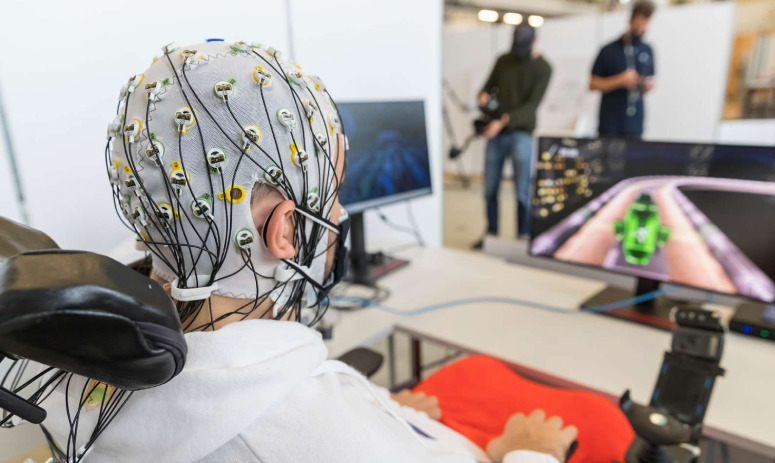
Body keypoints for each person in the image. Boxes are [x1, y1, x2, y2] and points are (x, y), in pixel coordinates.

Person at [39, 40, 577, 463]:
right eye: (334, 195)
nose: (339, 215)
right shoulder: (327, 439)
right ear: (287, 232)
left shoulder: (79, 376)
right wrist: (532, 451)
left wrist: (386, 418)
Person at [474, 24, 552, 250]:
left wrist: (503, 121)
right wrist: (483, 98)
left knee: (522, 191)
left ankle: (523, 237)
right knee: (489, 188)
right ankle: (491, 235)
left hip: (521, 134)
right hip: (496, 134)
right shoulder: (503, 61)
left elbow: (531, 107)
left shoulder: (543, 68)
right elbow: (487, 87)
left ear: (534, 41)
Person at [590, 0, 656, 138]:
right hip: (610, 124)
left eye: (645, 23)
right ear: (631, 20)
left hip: (635, 124)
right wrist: (620, 80)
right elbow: (593, 84)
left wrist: (645, 84)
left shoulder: (647, 50)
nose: (641, 27)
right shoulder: (608, 50)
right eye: (639, 22)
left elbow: (650, 80)